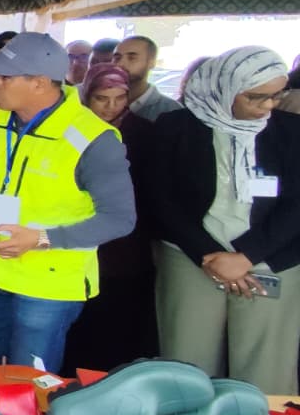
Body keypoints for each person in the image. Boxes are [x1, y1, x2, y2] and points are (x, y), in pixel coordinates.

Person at [0, 33, 136, 374]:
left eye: (5, 77)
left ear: (39, 84)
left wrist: (41, 238)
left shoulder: (93, 139)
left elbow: (119, 219)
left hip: (48, 284)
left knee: (31, 380)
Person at [148, 47, 300, 394]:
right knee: (187, 359)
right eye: (256, 97)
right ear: (225, 87)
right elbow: (159, 199)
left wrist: (245, 257)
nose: (268, 106)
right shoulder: (176, 128)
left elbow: (296, 205)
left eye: (277, 95)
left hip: (270, 258)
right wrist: (208, 254)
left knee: (267, 367)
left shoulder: (292, 133)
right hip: (191, 257)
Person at [60, 63, 158, 372]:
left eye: (119, 98)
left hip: (127, 242)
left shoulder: (142, 131)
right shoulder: (72, 129)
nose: (111, 106)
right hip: (80, 235)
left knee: (119, 314)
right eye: (103, 98)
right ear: (87, 94)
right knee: (80, 317)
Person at [112, 35, 180, 122]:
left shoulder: (173, 111)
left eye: (131, 58)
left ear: (152, 62)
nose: (120, 64)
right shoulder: (97, 104)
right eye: (117, 58)